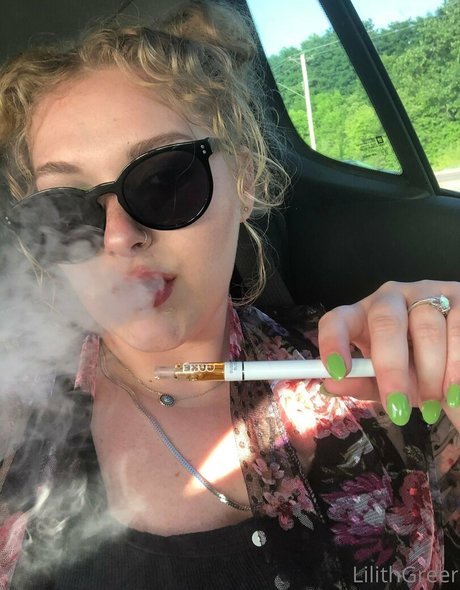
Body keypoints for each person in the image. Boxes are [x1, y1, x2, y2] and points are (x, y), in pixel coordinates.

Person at [0, 1, 458, 588]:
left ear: (243, 181)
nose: (118, 237)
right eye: (65, 208)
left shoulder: (370, 379)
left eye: (164, 179)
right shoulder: (17, 412)